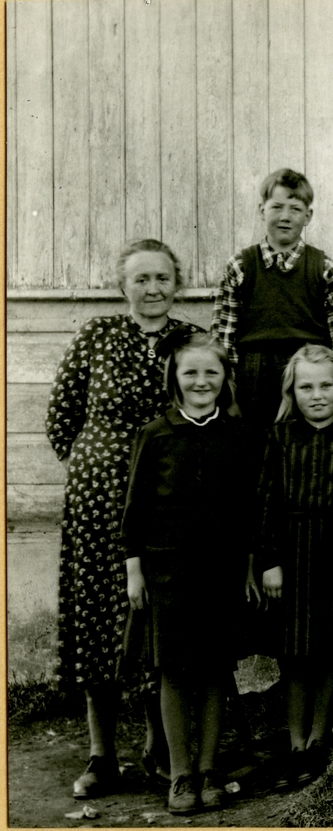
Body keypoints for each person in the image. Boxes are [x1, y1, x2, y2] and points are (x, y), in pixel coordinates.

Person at [45, 239, 196, 799]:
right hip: (98, 501)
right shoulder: (97, 335)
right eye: (141, 279)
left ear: (175, 285)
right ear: (122, 286)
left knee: (156, 617)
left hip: (165, 500)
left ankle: (159, 750)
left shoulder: (189, 340)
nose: (152, 289)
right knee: (96, 620)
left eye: (162, 279)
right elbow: (62, 417)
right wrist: (100, 462)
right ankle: (101, 755)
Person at [120, 330, 252, 815]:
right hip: (167, 572)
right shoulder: (155, 435)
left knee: (216, 669)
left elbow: (248, 508)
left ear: (225, 379)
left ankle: (210, 769)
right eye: (190, 372)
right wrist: (135, 570)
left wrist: (250, 566)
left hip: (221, 571)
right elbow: (134, 510)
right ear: (174, 378)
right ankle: (180, 776)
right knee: (173, 672)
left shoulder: (238, 435)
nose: (201, 381)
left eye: (211, 372)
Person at [258, 345, 333, 789]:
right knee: (295, 654)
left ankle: (318, 738)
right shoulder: (279, 438)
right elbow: (265, 503)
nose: (317, 395)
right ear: (292, 390)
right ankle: (293, 743)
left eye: (326, 385)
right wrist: (269, 561)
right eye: (306, 386)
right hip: (293, 554)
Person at [211, 168, 333, 431]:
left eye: (295, 209)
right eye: (276, 207)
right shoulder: (240, 266)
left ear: (308, 216)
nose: (285, 217)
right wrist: (228, 393)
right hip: (253, 376)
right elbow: (223, 340)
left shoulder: (324, 269)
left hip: (307, 374)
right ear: (262, 210)